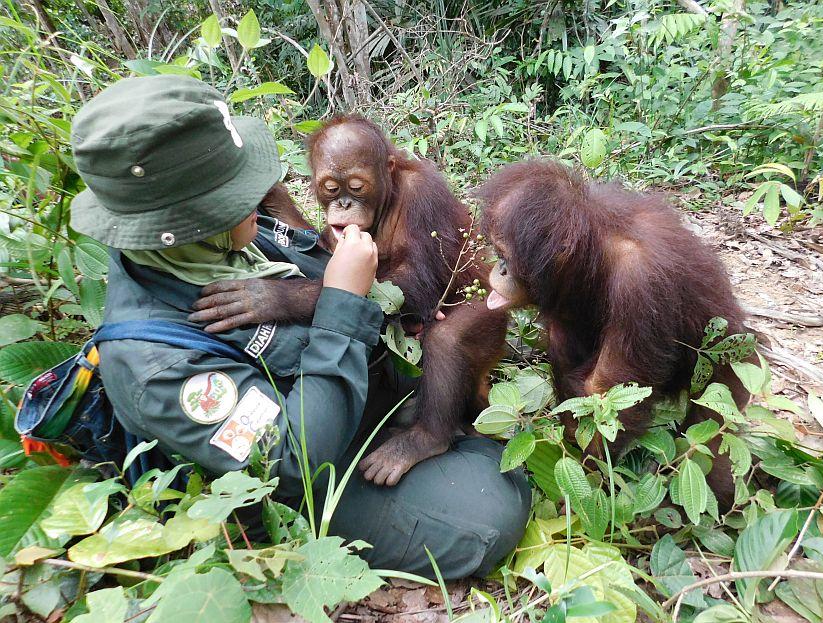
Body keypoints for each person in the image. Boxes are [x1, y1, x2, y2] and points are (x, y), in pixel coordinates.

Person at [69, 74, 530, 579]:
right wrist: (339, 302)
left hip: (385, 385)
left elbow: (385, 276)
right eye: (242, 188)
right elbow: (293, 462)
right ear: (197, 216)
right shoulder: (155, 365)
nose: (263, 192)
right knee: (490, 520)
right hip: (322, 453)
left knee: (486, 451)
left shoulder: (227, 235)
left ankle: (444, 432)